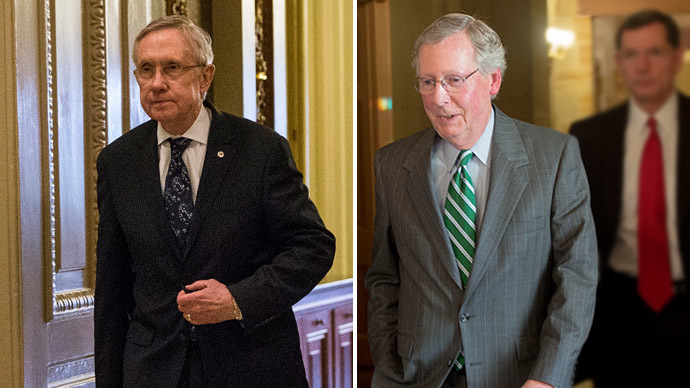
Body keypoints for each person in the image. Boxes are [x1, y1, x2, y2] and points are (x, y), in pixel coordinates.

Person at [94, 15, 335, 388]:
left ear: (205, 77)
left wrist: (238, 298)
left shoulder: (259, 149)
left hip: (249, 366)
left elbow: (313, 247)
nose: (156, 83)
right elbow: (112, 286)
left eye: (171, 68)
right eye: (146, 69)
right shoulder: (118, 161)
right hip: (154, 371)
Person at [364, 13, 598, 388]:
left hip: (520, 376)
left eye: (454, 80)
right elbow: (385, 280)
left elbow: (577, 277)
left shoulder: (554, 156)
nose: (438, 97)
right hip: (418, 377)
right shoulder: (392, 164)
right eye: (428, 82)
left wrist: (549, 378)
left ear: (493, 80)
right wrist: (389, 374)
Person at [570, 9, 690, 387]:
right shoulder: (588, 136)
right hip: (617, 317)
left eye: (654, 52)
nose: (642, 65)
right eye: (631, 54)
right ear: (619, 61)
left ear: (676, 56)